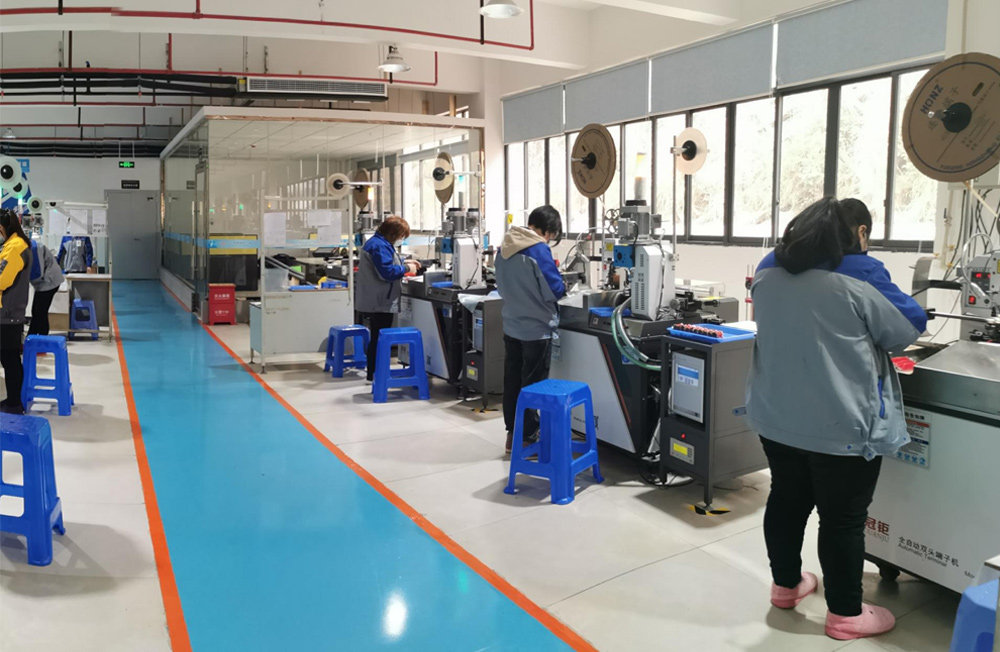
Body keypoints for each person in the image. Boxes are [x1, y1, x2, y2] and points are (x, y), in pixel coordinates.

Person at [746, 197, 927, 641]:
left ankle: (786, 587)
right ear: (860, 233)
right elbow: (907, 329)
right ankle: (846, 615)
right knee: (842, 518)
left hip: (776, 416)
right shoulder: (861, 271)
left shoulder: (768, 266)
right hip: (841, 423)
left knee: (786, 500)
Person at [494, 205, 566, 455]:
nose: (550, 240)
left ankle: (512, 435)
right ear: (547, 230)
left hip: (512, 324)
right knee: (533, 385)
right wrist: (564, 285)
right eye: (552, 235)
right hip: (537, 329)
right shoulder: (537, 249)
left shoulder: (504, 247)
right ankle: (528, 437)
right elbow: (554, 290)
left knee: (513, 380)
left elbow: (501, 286)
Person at [354, 215, 419, 382]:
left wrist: (403, 261)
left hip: (378, 298)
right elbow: (387, 272)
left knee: (378, 336)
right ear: (392, 234)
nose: (401, 239)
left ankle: (375, 373)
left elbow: (386, 262)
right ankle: (376, 374)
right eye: (401, 236)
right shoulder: (379, 246)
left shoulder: (379, 243)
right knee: (380, 338)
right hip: (380, 300)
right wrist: (407, 268)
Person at [0, 209, 34, 414]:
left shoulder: (15, 247)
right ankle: (13, 400)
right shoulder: (11, 245)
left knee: (10, 358)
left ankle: (14, 403)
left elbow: (2, 279)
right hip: (8, 311)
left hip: (8, 313)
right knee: (8, 357)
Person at [28, 238, 65, 336]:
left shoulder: (34, 248)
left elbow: (37, 272)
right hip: (44, 282)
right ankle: (33, 337)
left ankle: (39, 337)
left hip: (49, 281)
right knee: (37, 311)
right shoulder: (31, 246)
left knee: (40, 311)